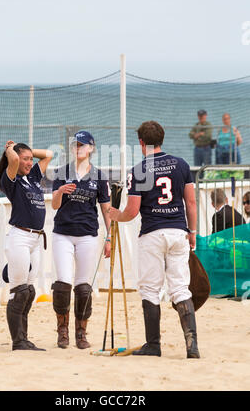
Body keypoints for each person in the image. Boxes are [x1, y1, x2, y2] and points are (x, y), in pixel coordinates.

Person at [109, 120, 200, 359]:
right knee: (180, 288)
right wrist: (193, 232)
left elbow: (132, 211)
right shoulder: (181, 164)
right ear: (162, 138)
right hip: (178, 231)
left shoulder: (138, 170)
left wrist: (115, 215)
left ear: (141, 142)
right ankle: (192, 346)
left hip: (152, 233)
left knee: (150, 289)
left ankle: (153, 345)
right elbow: (190, 202)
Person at [51, 130, 111, 350]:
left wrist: (110, 236)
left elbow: (106, 210)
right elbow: (55, 205)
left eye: (82, 145)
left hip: (87, 235)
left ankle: (81, 332)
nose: (78, 148)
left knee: (83, 286)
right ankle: (63, 331)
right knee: (63, 283)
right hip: (63, 233)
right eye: (75, 144)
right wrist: (59, 192)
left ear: (91, 148)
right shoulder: (61, 172)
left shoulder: (99, 175)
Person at [0, 141, 53, 351]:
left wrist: (28, 151)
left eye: (30, 159)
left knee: (29, 290)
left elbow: (49, 154)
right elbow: (15, 159)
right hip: (20, 237)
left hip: (36, 240)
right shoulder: (12, 180)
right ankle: (17, 342)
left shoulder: (33, 177)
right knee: (18, 291)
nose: (28, 162)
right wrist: (10, 148)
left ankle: (24, 338)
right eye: (24, 159)